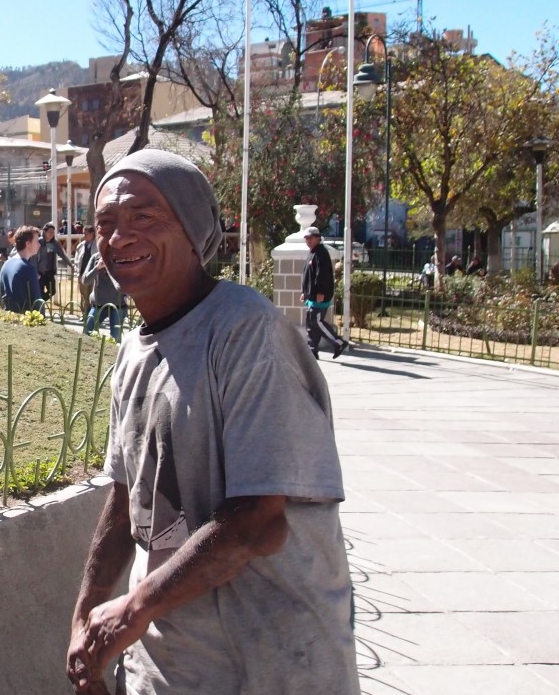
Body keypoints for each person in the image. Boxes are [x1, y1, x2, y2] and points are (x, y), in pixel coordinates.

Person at [66, 149, 358, 695]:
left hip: (273, 666)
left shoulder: (247, 334)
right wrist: (84, 619)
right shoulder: (132, 351)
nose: (118, 237)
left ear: (194, 230)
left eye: (144, 218)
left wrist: (132, 608)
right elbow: (127, 496)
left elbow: (258, 521)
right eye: (105, 224)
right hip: (173, 669)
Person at [301, 225, 348, 360]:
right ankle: (312, 349)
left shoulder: (321, 253)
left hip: (319, 296)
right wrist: (304, 292)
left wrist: (321, 291)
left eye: (310, 238)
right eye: (306, 238)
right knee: (311, 322)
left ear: (318, 238)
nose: (308, 241)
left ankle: (338, 343)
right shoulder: (312, 253)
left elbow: (323, 275)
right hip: (311, 296)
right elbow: (308, 275)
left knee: (317, 322)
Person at [80, 250, 123, 343]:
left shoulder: (120, 257)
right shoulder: (95, 257)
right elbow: (85, 280)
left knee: (116, 340)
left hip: (117, 304)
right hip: (98, 304)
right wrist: (97, 267)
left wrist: (111, 267)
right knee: (87, 333)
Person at [0, 225, 41, 313]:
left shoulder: (6, 264)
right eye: (37, 241)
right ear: (28, 243)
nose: (39, 245)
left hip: (8, 316)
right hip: (24, 319)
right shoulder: (28, 268)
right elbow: (37, 302)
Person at [35, 222, 72, 301]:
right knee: (39, 292)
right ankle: (39, 306)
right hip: (40, 273)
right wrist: (35, 271)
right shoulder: (39, 242)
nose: (51, 234)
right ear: (44, 232)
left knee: (52, 291)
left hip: (50, 272)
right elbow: (33, 257)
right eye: (49, 232)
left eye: (53, 232)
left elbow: (62, 254)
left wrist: (71, 265)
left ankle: (41, 301)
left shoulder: (54, 243)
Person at [74, 225, 97, 314]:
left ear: (92, 234)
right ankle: (84, 315)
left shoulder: (97, 245)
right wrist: (77, 272)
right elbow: (76, 260)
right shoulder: (80, 246)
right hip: (83, 275)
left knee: (93, 296)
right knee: (84, 296)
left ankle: (92, 315)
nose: (84, 235)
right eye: (83, 233)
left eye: (86, 233)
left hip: (94, 275)